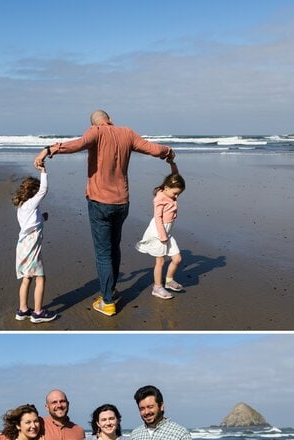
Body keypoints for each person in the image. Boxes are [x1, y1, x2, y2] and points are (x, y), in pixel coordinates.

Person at [35, 110, 176, 316]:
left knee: (103, 253)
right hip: (122, 203)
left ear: (95, 123)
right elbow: (153, 149)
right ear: (110, 119)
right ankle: (112, 290)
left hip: (100, 203)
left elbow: (78, 144)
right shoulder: (127, 133)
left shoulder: (96, 132)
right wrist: (168, 152)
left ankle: (108, 301)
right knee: (113, 248)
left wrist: (48, 150)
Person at [12, 164, 57, 323]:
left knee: (26, 278)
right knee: (40, 278)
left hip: (22, 245)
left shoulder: (22, 207)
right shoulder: (31, 203)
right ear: (33, 192)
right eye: (36, 191)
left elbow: (30, 224)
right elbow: (44, 190)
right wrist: (44, 172)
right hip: (31, 247)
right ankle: (37, 313)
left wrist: (42, 218)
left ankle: (23, 310)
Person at [136, 161, 186, 300]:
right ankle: (157, 287)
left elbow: (176, 175)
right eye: (175, 194)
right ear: (166, 187)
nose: (176, 197)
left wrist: (172, 163)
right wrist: (162, 235)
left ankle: (169, 281)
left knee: (177, 259)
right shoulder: (160, 198)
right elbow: (157, 217)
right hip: (159, 232)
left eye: (179, 194)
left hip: (168, 232)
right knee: (160, 262)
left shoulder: (171, 187)